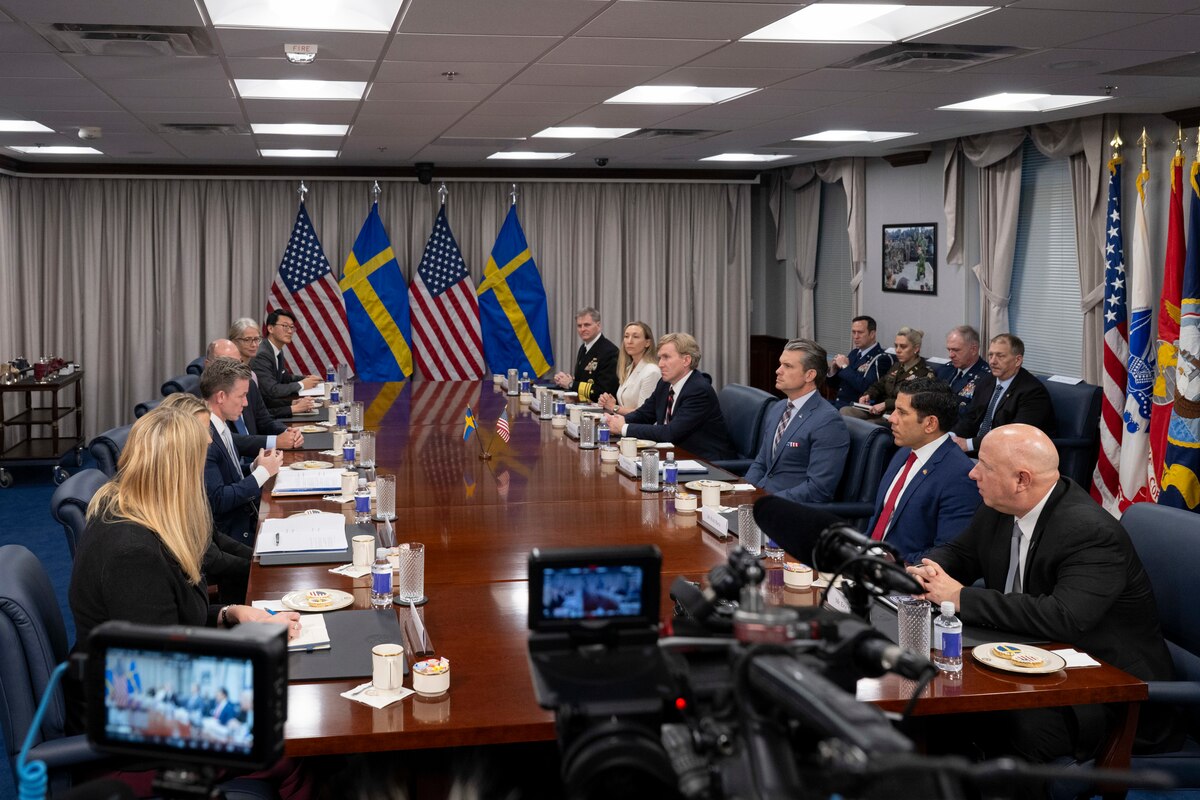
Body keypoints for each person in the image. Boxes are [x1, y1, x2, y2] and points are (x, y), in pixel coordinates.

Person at [908, 425, 1181, 764]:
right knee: (930, 694)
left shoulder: (1090, 533)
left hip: (1104, 689)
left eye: (985, 466)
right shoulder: (1000, 505)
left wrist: (961, 596)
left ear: (1022, 480)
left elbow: (1064, 617)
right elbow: (962, 553)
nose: (972, 472)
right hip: (1030, 660)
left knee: (985, 719)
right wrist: (931, 570)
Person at [66, 407, 300, 731]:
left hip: (159, 692)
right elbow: (159, 678)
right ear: (179, 472)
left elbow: (167, 620)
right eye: (200, 463)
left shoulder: (140, 513)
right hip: (135, 726)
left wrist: (230, 614)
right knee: (290, 724)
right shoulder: (132, 553)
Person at [864, 378, 979, 565]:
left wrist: (891, 564)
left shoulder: (960, 476)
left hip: (905, 580)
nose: (891, 418)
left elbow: (949, 555)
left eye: (901, 412)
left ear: (930, 424)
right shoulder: (904, 452)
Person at [160, 391, 253, 604]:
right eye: (203, 431)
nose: (210, 439)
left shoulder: (185, 477)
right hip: (193, 590)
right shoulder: (172, 489)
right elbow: (208, 556)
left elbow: (213, 536)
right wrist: (255, 567)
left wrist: (257, 557)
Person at [743, 338, 849, 503]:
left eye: (788, 366)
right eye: (780, 364)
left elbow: (819, 489)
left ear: (810, 375)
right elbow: (761, 463)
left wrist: (765, 502)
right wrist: (744, 492)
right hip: (760, 501)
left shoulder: (827, 421)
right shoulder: (778, 408)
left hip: (789, 509)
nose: (778, 370)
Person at [603, 332, 736, 461]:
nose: (660, 364)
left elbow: (670, 432)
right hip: (675, 454)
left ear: (686, 360)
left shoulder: (699, 391)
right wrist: (616, 420)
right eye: (660, 358)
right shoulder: (665, 383)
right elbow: (644, 414)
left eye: (666, 357)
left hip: (707, 462)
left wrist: (624, 428)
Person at [201, 357, 284, 544]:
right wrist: (263, 473)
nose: (246, 403)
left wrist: (255, 467)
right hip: (232, 537)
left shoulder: (221, 425)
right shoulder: (204, 437)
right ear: (221, 396)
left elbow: (230, 477)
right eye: (241, 396)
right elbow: (218, 499)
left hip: (247, 518)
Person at [951, 333, 1056, 455]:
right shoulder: (987, 380)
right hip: (979, 449)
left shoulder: (1032, 392)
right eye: (990, 355)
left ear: (1017, 360)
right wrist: (952, 435)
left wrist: (969, 444)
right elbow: (971, 417)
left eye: (1000, 356)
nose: (992, 361)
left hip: (1012, 454)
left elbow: (1015, 436)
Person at [208, 338, 303, 451]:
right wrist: (274, 442)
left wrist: (287, 432)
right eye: (227, 366)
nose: (234, 371)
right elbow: (223, 439)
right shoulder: (203, 396)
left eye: (237, 364)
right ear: (208, 365)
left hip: (258, 458)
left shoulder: (249, 385)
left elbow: (265, 420)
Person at [840, 326, 936, 424]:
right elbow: (880, 384)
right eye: (896, 346)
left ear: (916, 349)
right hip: (879, 410)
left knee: (869, 425)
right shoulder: (897, 366)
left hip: (898, 415)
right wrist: (868, 394)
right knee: (845, 411)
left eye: (903, 346)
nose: (897, 350)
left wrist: (886, 404)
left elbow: (913, 400)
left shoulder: (924, 373)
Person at [229, 317, 314, 417]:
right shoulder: (232, 373)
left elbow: (262, 404)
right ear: (234, 341)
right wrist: (292, 409)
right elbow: (256, 414)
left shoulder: (250, 372)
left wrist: (291, 403)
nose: (254, 345)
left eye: (257, 339)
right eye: (247, 340)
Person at [250, 309, 321, 411]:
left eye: (292, 327)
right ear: (270, 328)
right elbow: (272, 390)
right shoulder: (262, 354)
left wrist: (307, 378)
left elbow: (285, 378)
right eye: (285, 326)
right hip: (266, 412)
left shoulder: (276, 350)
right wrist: (302, 384)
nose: (290, 331)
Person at [553, 307, 619, 402]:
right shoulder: (584, 348)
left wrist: (571, 384)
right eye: (579, 326)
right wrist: (565, 380)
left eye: (587, 325)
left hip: (600, 410)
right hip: (582, 405)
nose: (582, 329)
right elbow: (584, 379)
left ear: (598, 325)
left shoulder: (610, 351)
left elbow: (604, 391)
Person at [597, 321, 662, 417]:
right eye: (626, 336)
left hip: (641, 430)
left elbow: (644, 414)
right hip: (625, 426)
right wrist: (609, 402)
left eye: (635, 337)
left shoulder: (652, 371)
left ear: (647, 343)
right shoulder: (628, 369)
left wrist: (614, 407)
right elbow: (626, 406)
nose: (629, 341)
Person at [829, 316, 895, 409]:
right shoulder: (854, 353)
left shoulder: (881, 358)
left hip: (855, 408)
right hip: (838, 403)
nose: (855, 337)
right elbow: (837, 385)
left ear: (872, 334)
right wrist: (833, 370)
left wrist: (844, 367)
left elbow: (866, 387)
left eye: (860, 332)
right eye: (853, 332)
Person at [934, 325, 989, 415]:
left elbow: (972, 415)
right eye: (949, 350)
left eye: (956, 350)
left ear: (973, 350)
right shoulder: (944, 370)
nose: (951, 355)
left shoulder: (986, 378)